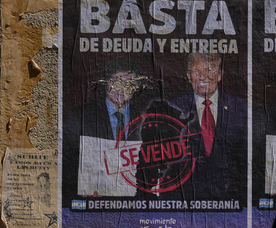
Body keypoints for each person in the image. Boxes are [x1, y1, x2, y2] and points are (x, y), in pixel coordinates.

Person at [62, 57, 149, 206]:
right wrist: (81, 187)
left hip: (134, 205)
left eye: (129, 83)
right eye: (115, 82)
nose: (121, 89)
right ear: (105, 83)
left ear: (136, 87)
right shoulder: (81, 116)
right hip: (92, 204)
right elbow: (64, 163)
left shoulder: (146, 120)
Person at [167, 53, 247, 200]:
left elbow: (246, 161)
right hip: (184, 200)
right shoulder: (172, 108)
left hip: (231, 200)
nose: (203, 76)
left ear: (220, 75)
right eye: (196, 72)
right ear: (189, 77)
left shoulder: (241, 109)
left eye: (209, 70)